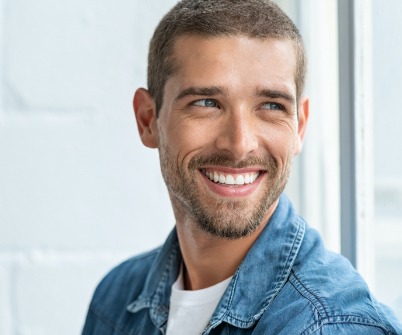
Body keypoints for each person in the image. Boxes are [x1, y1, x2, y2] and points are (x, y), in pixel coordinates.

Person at [82, 0, 402, 334]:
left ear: (299, 127)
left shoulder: (326, 326)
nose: (239, 143)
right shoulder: (115, 301)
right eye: (207, 103)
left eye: (271, 106)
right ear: (148, 120)